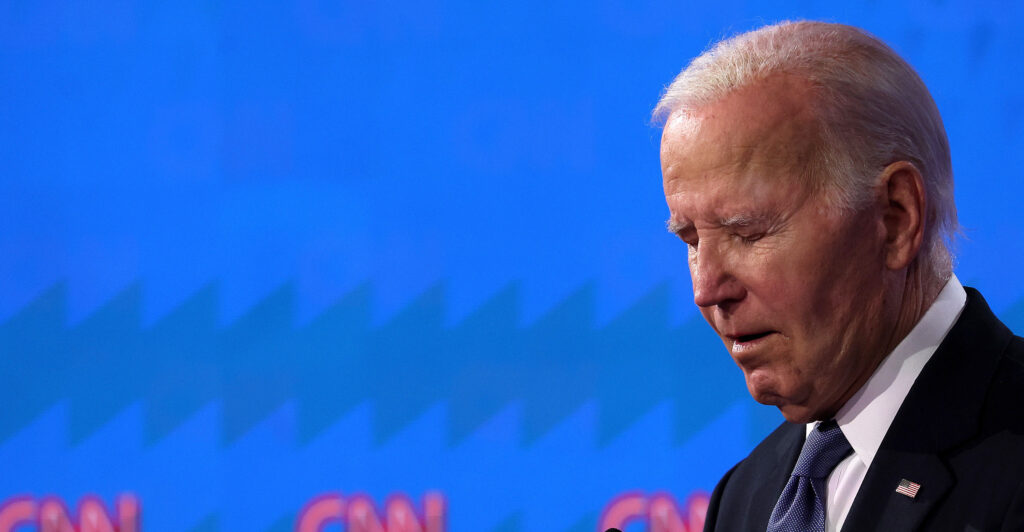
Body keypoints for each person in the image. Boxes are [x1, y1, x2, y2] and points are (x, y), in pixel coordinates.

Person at [653, 21, 1024, 531]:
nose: (707, 290)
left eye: (747, 232)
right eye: (692, 241)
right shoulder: (744, 497)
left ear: (895, 219)